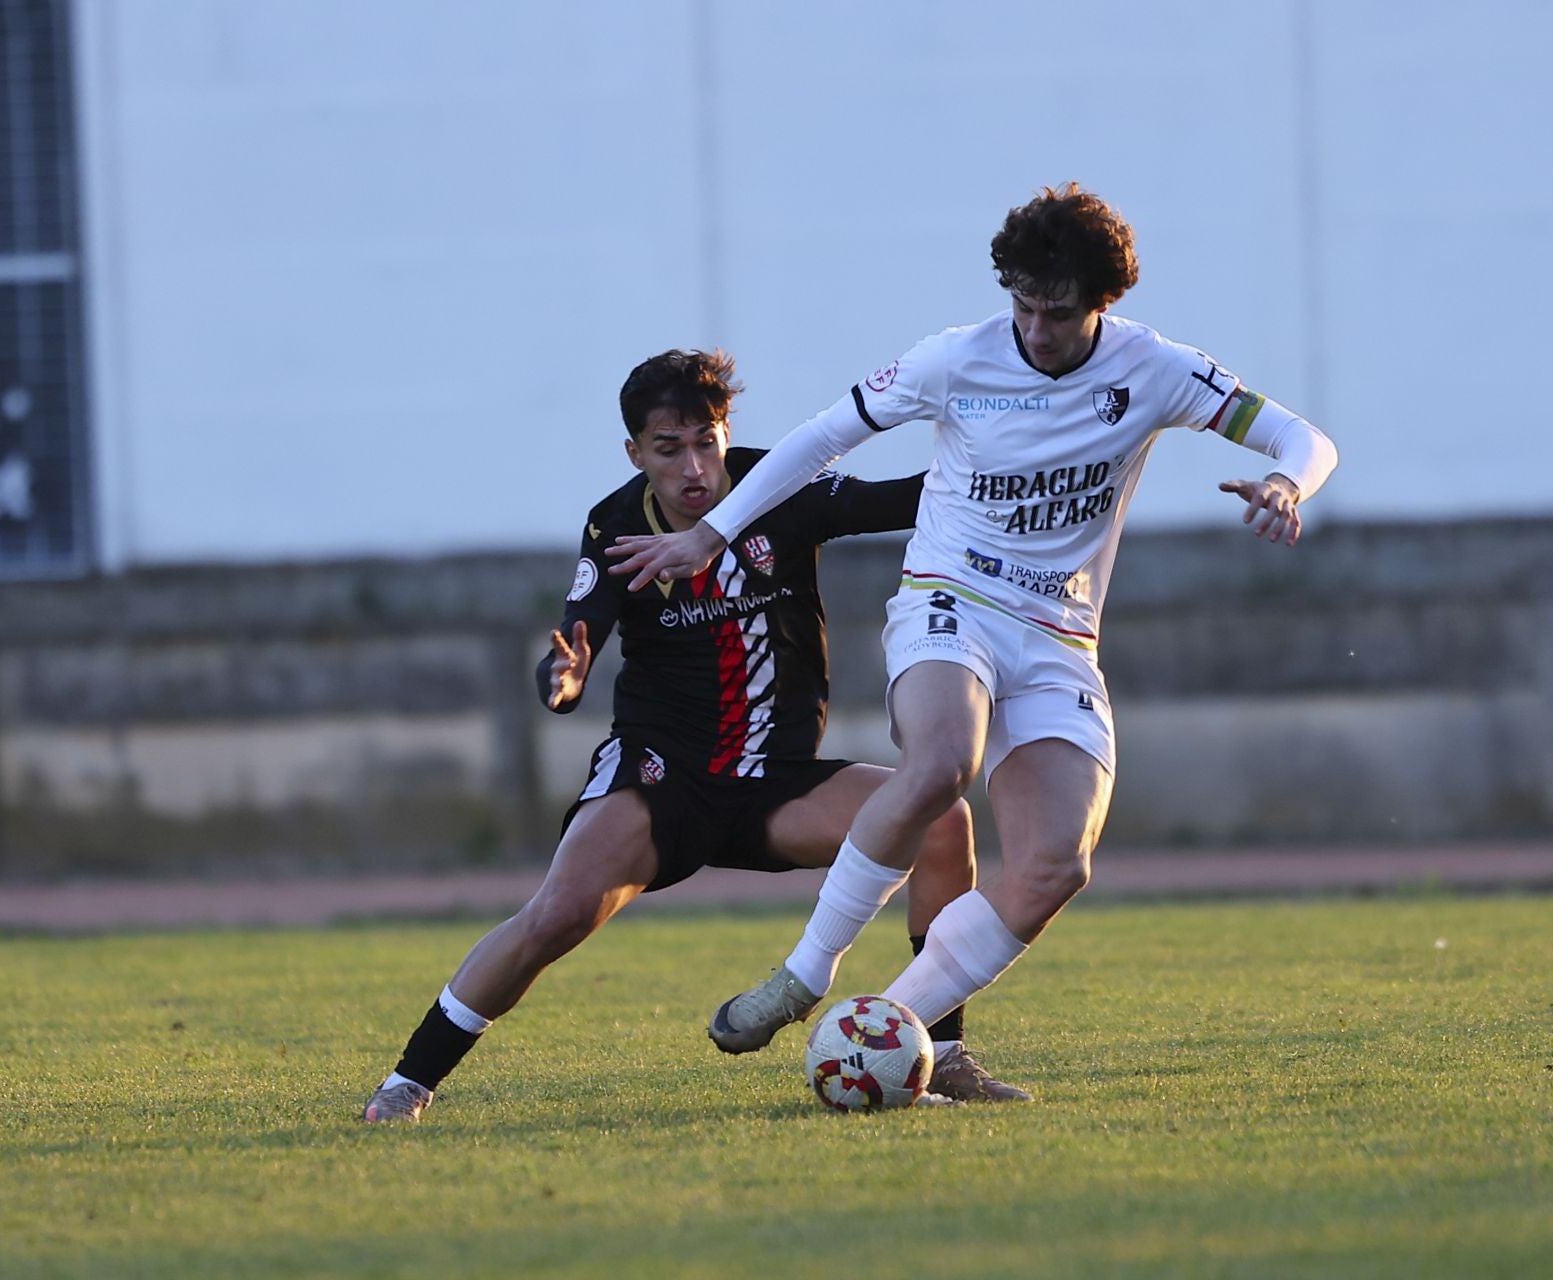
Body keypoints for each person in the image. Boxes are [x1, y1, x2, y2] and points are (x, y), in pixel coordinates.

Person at [607, 184, 1340, 1085]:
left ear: (1103, 303)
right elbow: (822, 439)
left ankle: (893, 1029)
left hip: (1060, 635)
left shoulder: (1156, 370)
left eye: (1058, 313)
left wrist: (1287, 484)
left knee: (1053, 869)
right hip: (949, 600)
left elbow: (1302, 437)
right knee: (943, 762)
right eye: (1023, 305)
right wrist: (707, 537)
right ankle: (806, 973)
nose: (1035, 330)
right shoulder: (957, 360)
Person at [362, 348, 1027, 1124]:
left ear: (726, 434)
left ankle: (942, 1056)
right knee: (557, 915)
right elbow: (577, 638)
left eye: (706, 441)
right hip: (658, 779)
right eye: (668, 449)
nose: (693, 468)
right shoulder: (616, 523)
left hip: (773, 782)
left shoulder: (781, 486)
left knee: (944, 820)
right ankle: (408, 1083)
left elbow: (906, 500)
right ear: (636, 454)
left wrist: (1027, 457)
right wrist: (564, 675)